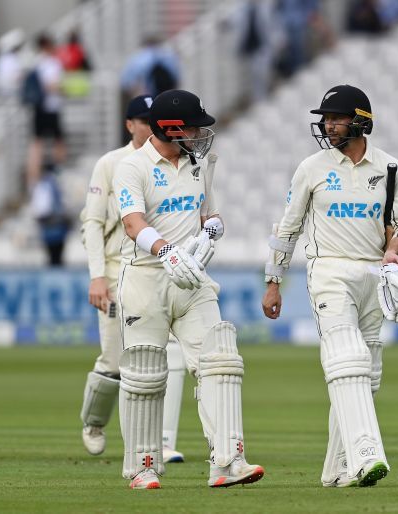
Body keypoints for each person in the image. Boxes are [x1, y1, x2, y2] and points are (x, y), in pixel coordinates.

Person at [261, 84, 398, 488]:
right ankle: (367, 455)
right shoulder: (311, 168)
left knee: (368, 374)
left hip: (374, 274)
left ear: (361, 121)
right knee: (347, 359)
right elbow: (288, 229)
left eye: (336, 118)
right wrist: (274, 281)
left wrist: (394, 251)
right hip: (328, 271)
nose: (328, 125)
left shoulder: (389, 168)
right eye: (326, 119)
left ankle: (336, 469)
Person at [113, 89, 264, 490]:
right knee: (146, 375)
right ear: (170, 127)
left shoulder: (197, 164)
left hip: (193, 280)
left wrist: (213, 227)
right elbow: (132, 222)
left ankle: (228, 461)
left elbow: (207, 213)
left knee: (219, 362)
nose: (201, 133)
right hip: (147, 280)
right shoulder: (132, 166)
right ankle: (143, 467)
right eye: (194, 126)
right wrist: (166, 252)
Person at [78, 95, 189, 464]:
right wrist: (97, 277)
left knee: (164, 355)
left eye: (151, 119)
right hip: (115, 268)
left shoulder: (180, 158)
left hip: (161, 268)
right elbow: (92, 223)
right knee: (115, 361)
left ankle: (161, 440)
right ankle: (94, 423)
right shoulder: (111, 164)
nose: (148, 125)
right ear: (130, 125)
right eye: (141, 120)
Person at [26, 34, 67, 191]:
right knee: (58, 140)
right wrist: (64, 88)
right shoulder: (52, 63)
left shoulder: (35, 62)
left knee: (37, 142)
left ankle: (33, 180)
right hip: (50, 107)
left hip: (38, 108)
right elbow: (51, 85)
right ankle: (58, 173)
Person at [30, 162, 70, 266]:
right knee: (56, 257)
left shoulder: (43, 184)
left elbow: (39, 209)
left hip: (50, 226)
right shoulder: (51, 183)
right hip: (54, 225)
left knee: (53, 257)